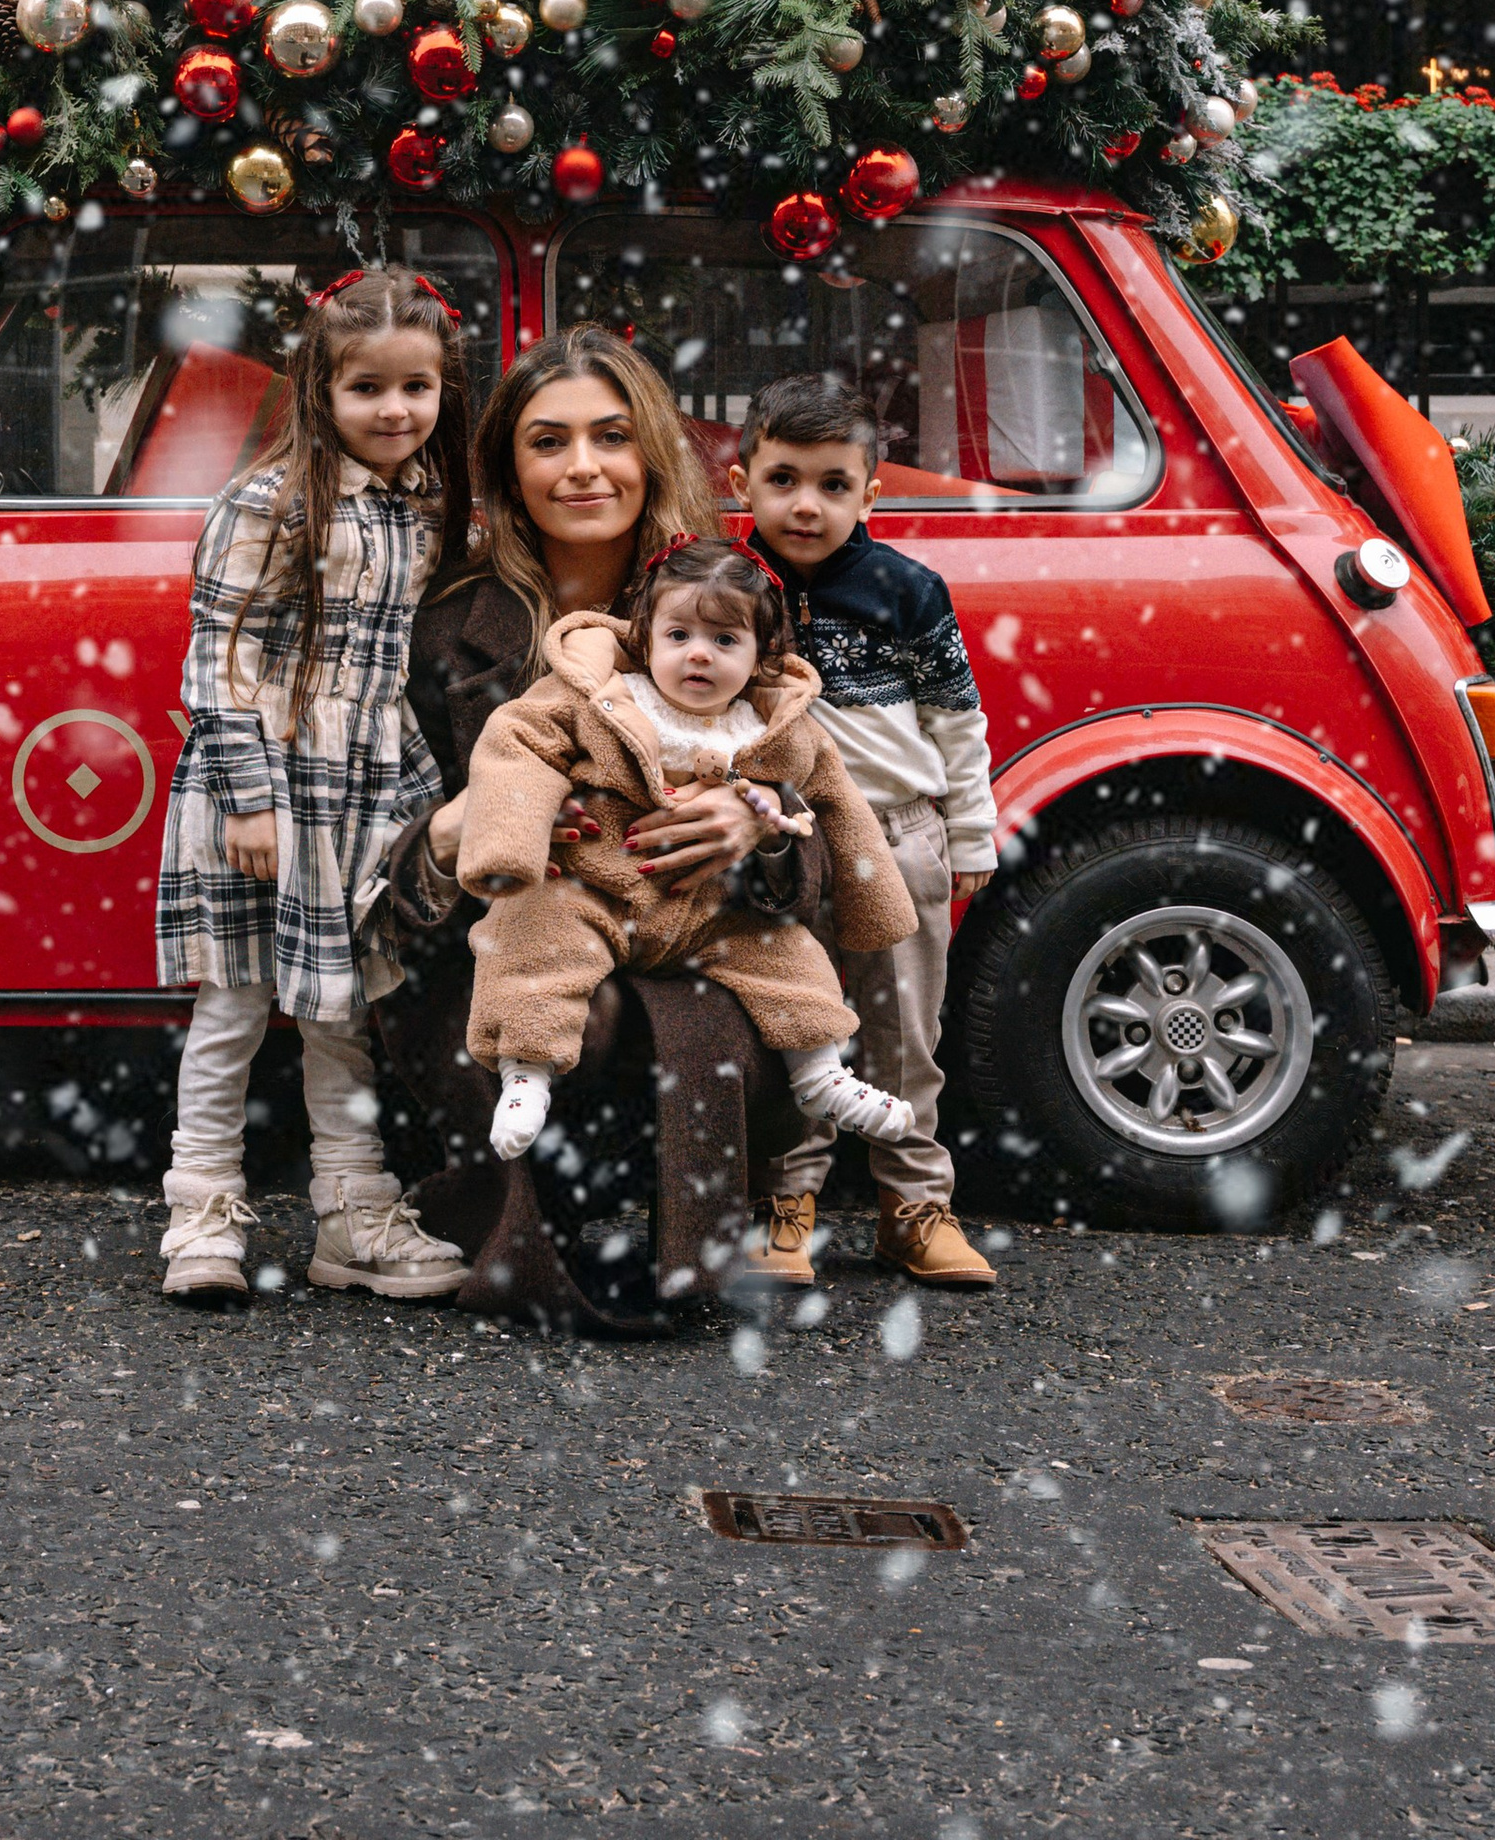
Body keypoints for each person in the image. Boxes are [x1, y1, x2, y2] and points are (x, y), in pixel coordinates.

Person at [374, 328, 796, 1324]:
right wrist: (460, 831)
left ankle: (676, 1230)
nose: (582, 468)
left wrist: (756, 826)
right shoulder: (446, 627)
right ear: (508, 472)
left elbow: (816, 810)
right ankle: (548, 1224)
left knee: (717, 1020)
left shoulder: (728, 598)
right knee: (576, 1017)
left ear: (649, 452)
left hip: (693, 935)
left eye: (610, 436)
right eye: (547, 442)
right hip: (497, 953)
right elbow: (384, 883)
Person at [152, 267, 476, 1309]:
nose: (394, 409)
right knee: (235, 1005)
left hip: (363, 788)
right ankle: (200, 1213)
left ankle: (350, 1211)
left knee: (346, 1011)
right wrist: (250, 799)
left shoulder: (429, 505)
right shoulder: (271, 502)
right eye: (366, 387)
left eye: (416, 387)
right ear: (320, 391)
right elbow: (220, 661)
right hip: (270, 788)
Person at [458, 535, 920, 1161]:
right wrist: (509, 846)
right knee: (531, 933)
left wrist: (873, 904)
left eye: (725, 640)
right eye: (678, 635)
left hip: (709, 910)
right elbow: (517, 744)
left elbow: (839, 804)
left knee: (791, 958)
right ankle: (525, 1071)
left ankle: (819, 1074)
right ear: (645, 640)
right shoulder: (600, 695)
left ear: (761, 657)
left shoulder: (776, 728)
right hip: (596, 887)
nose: (699, 654)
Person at [732, 373, 1002, 1291]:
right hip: (783, 843)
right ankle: (787, 1205)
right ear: (743, 482)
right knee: (795, 1026)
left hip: (900, 835)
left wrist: (971, 833)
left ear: (870, 494)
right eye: (783, 480)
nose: (805, 505)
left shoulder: (908, 589)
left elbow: (956, 720)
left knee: (903, 1036)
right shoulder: (729, 585)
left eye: (833, 485)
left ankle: (914, 1209)